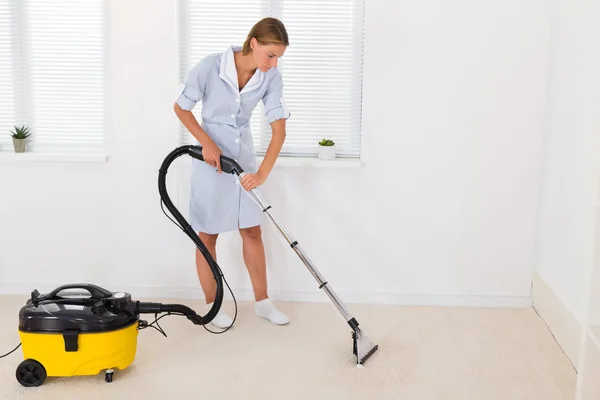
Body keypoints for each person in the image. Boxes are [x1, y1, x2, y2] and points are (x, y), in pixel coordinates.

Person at [173, 17, 291, 329]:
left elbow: (279, 131)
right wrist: (207, 143)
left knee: (252, 230)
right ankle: (212, 307)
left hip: (244, 160)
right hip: (211, 162)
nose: (274, 62)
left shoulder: (270, 76)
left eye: (278, 56)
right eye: (270, 54)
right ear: (253, 43)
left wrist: (262, 174)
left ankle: (263, 303)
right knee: (208, 235)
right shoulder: (211, 67)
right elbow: (181, 107)